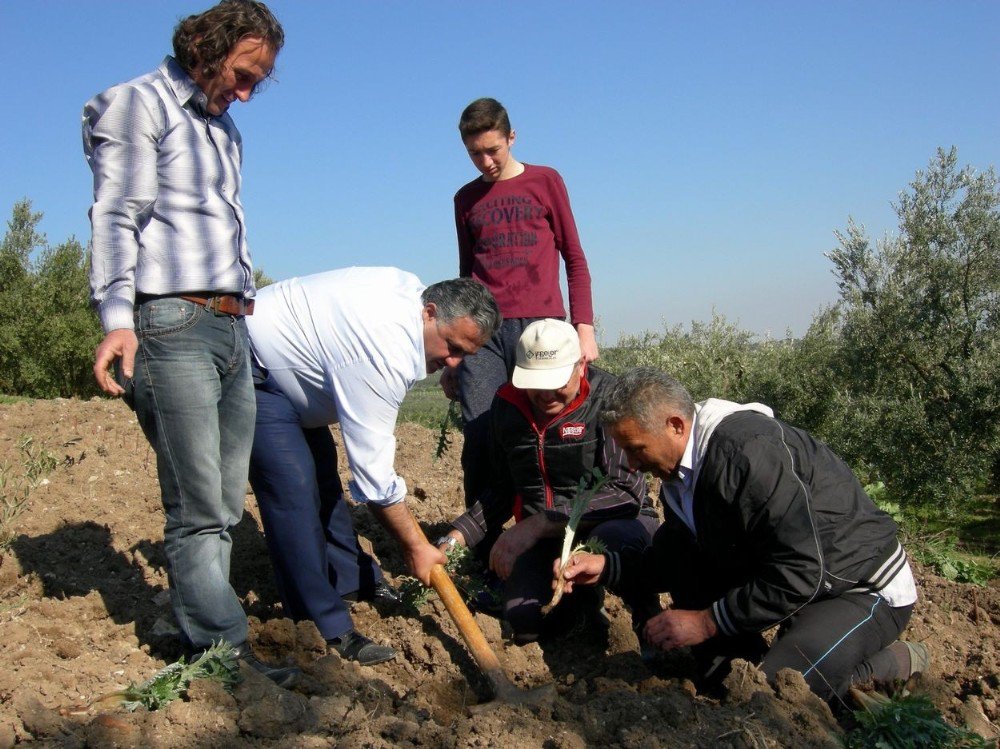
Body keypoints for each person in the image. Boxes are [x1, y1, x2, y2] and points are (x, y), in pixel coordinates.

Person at [83, 1, 296, 686]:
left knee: (225, 504)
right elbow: (117, 211)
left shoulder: (225, 130)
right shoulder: (137, 103)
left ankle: (194, 626)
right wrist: (117, 315)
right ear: (205, 46)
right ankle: (227, 660)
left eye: (259, 82)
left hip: (231, 323)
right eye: (242, 74)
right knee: (199, 504)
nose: (246, 93)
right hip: (170, 323)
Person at [559, 367, 927, 702]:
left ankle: (891, 663)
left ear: (675, 425)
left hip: (858, 586)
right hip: (797, 584)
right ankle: (781, 655)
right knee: (728, 676)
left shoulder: (747, 455)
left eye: (636, 449)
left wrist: (707, 622)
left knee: (774, 697)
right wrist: (608, 567)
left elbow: (802, 568)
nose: (633, 464)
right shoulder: (680, 473)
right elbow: (675, 557)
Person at [245, 268, 502, 665]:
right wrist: (415, 547)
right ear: (429, 312)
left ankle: (351, 582)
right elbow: (373, 479)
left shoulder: (410, 295)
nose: (452, 362)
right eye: (451, 347)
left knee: (322, 479)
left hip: (292, 370)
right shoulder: (384, 349)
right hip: (256, 368)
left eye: (465, 355)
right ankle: (321, 628)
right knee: (293, 490)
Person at [437, 320, 660, 646]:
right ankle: (581, 611)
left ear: (581, 365)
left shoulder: (608, 399)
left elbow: (624, 493)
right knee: (526, 620)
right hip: (546, 538)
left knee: (614, 539)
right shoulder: (507, 407)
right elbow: (501, 490)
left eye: (556, 381)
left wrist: (540, 523)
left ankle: (647, 616)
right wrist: (454, 540)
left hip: (615, 523)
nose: (545, 394)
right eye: (535, 382)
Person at [445, 98, 599, 511]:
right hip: (484, 334)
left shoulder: (546, 181)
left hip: (542, 328)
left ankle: (556, 526)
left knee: (549, 430)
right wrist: (454, 355)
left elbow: (575, 258)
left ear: (512, 138)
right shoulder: (465, 199)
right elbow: (464, 280)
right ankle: (483, 550)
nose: (485, 161)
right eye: (474, 153)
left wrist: (584, 327)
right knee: (481, 436)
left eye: (492, 149)